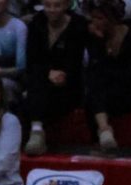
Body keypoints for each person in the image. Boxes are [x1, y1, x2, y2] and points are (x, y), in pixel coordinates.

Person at [23, 0, 87, 155]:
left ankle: (37, 131)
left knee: (32, 97)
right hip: (41, 81)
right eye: (48, 6)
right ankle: (36, 131)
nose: (52, 10)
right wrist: (48, 73)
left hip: (69, 83)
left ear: (66, 5)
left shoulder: (78, 25)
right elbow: (32, 60)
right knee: (37, 82)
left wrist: (62, 75)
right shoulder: (37, 23)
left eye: (57, 6)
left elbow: (76, 62)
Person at [84, 0, 131, 153]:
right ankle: (104, 131)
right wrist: (99, 43)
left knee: (96, 92)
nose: (95, 22)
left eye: (99, 18)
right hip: (106, 90)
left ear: (111, 19)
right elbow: (95, 69)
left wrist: (109, 75)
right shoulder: (96, 38)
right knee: (93, 91)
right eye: (93, 18)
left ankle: (103, 133)